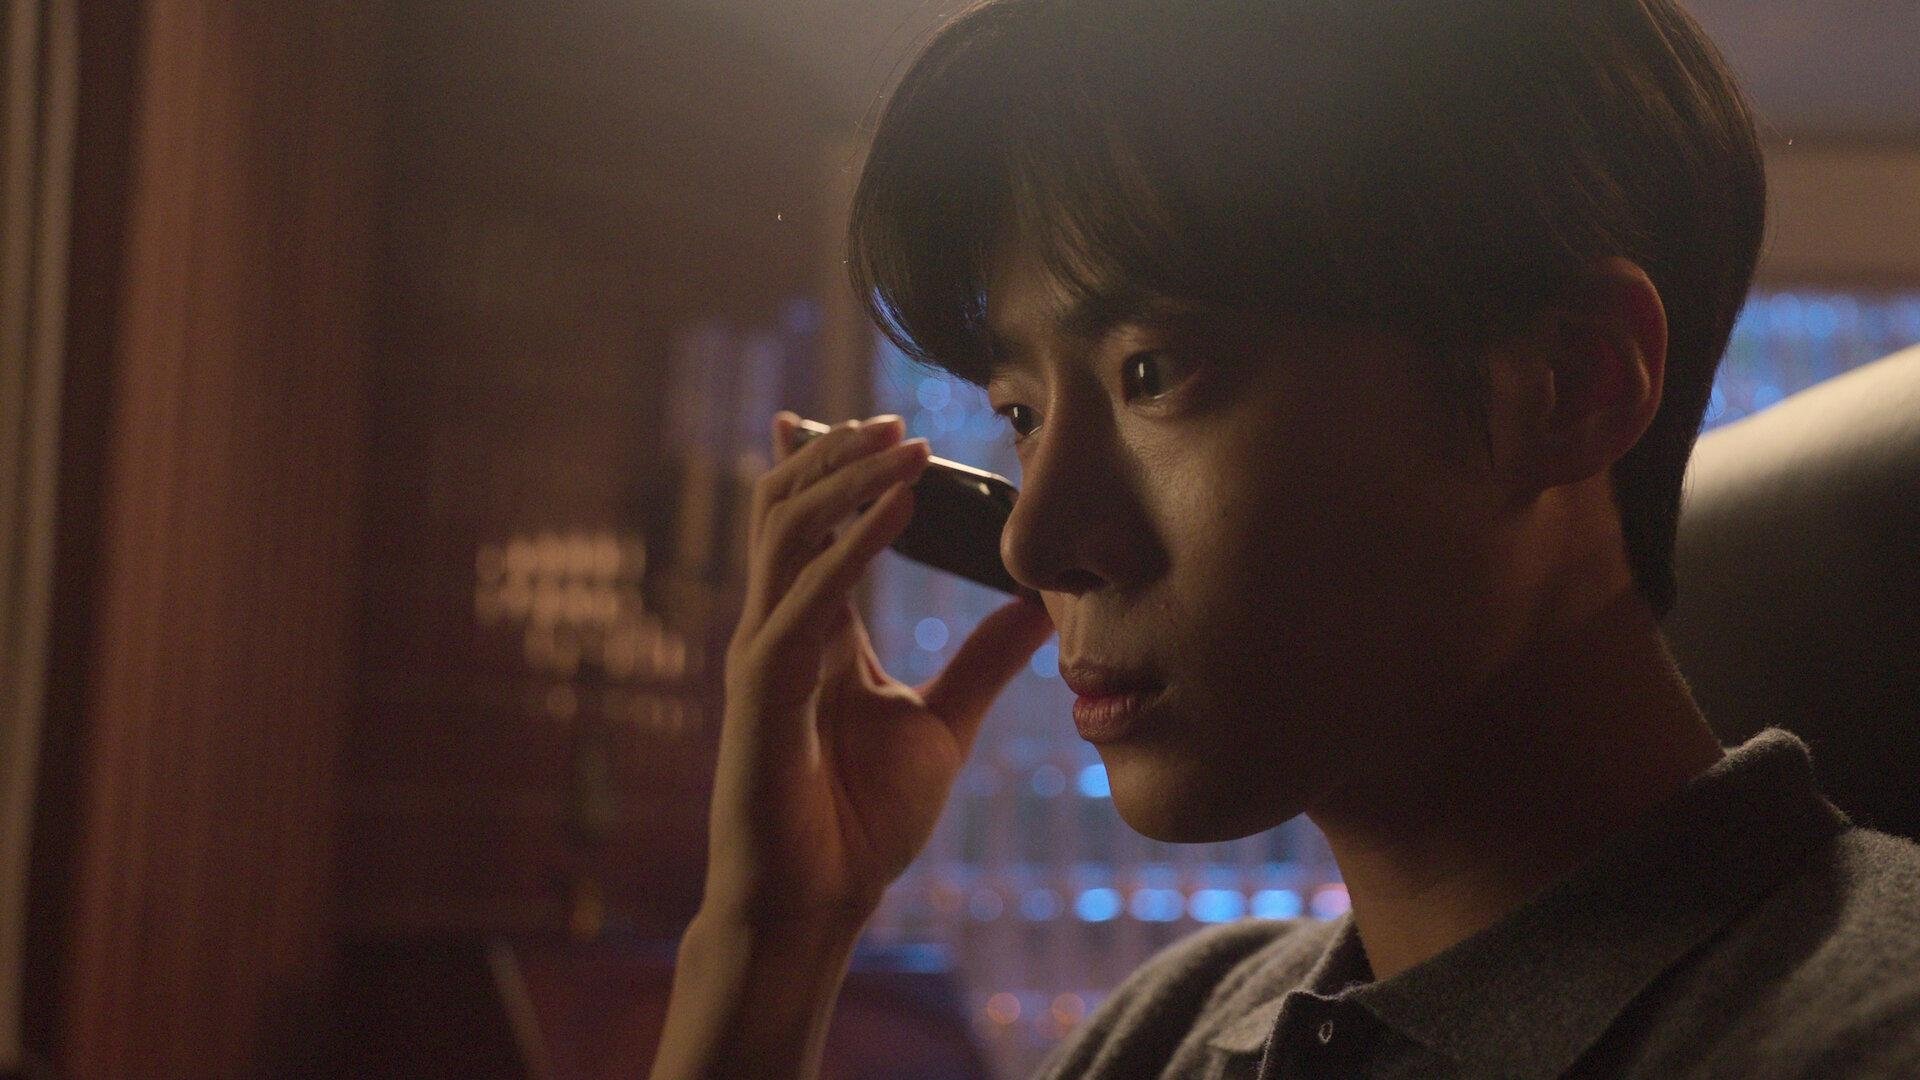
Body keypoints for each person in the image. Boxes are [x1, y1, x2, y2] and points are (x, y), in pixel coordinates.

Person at [648, 1, 1920, 1077]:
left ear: (1573, 384)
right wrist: (770, 946)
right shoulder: (1171, 1037)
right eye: (1021, 415)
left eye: (1155, 372)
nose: (1035, 542)